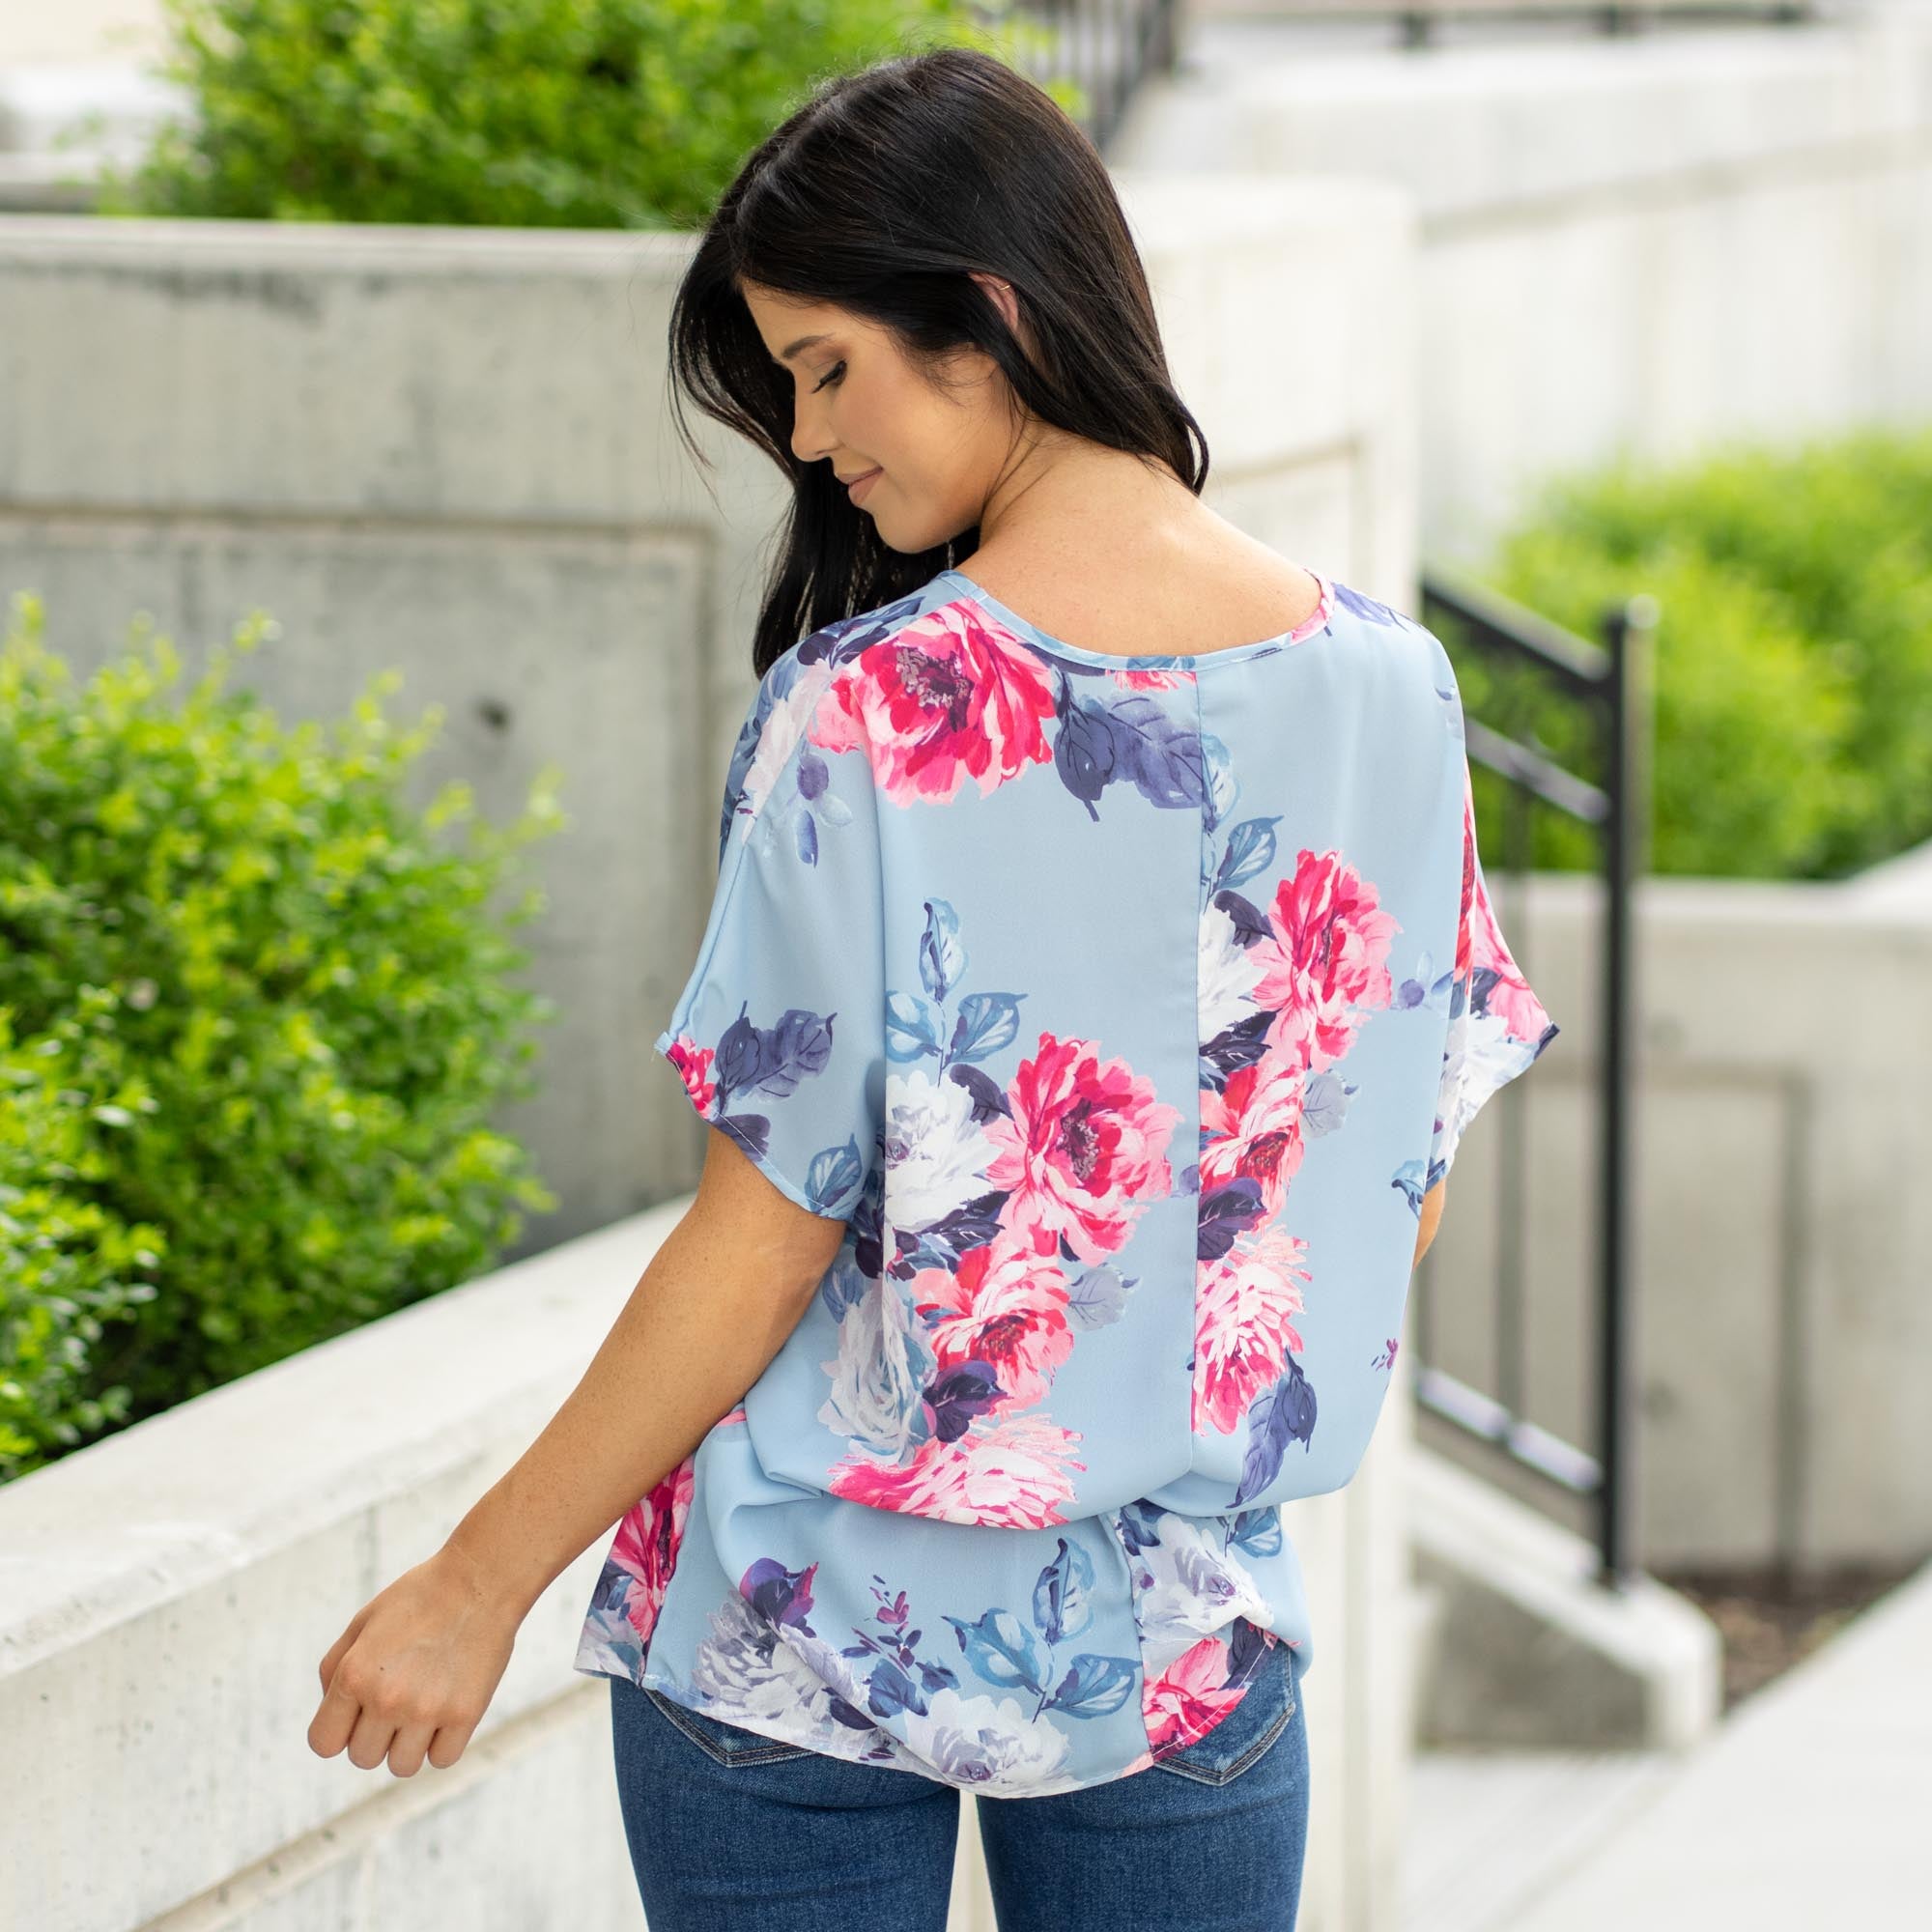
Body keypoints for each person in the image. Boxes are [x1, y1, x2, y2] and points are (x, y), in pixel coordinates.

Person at [306, 42, 1560, 1932]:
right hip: (1174, 1637)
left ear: (986, 316)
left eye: (827, 367)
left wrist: (473, 1586)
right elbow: (1394, 1183)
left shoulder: (868, 714)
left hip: (797, 1636)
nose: (810, 438)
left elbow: (762, 1244)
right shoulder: (1392, 689)